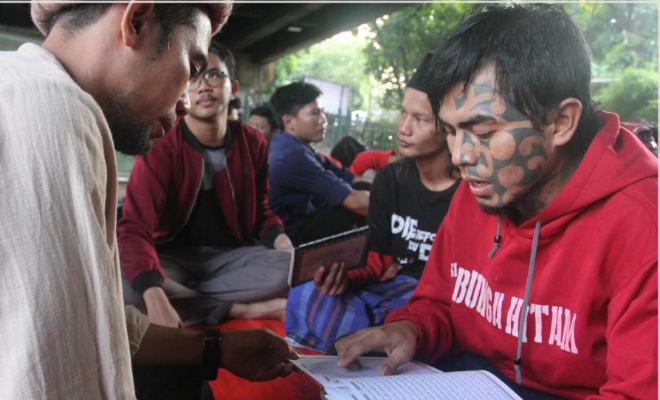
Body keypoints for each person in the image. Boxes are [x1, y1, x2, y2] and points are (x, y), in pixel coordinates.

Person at [0, 3, 299, 400]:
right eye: (191, 66)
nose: (188, 97)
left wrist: (214, 348)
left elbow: (90, 318)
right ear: (136, 21)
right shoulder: (45, 110)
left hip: (217, 268)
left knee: (288, 268)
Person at [334, 4, 657, 400]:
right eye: (450, 131)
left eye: (482, 132)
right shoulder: (482, 190)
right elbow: (439, 303)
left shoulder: (642, 224)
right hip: (491, 392)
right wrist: (413, 330)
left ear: (561, 122)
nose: (460, 158)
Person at [286, 54, 460, 352]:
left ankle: (372, 336)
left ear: (448, 128)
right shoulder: (390, 179)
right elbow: (378, 256)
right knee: (306, 293)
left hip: (435, 300)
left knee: (403, 321)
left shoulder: (468, 193)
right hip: (390, 286)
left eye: (420, 119)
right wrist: (343, 278)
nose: (404, 128)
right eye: (403, 113)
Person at [118, 40, 292, 327]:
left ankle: (192, 303)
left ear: (233, 88)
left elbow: (261, 213)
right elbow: (134, 228)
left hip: (230, 259)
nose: (203, 86)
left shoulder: (253, 142)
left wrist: (280, 239)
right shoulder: (161, 144)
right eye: (192, 77)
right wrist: (154, 291)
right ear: (181, 89)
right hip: (168, 258)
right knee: (126, 283)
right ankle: (238, 309)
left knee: (289, 268)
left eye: (213, 75)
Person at [268, 81, 370, 244]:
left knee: (365, 189)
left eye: (322, 112)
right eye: (315, 113)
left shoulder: (294, 145)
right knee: (360, 204)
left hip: (306, 218)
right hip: (290, 238)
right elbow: (357, 203)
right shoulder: (291, 155)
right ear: (289, 122)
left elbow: (351, 178)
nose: (323, 120)